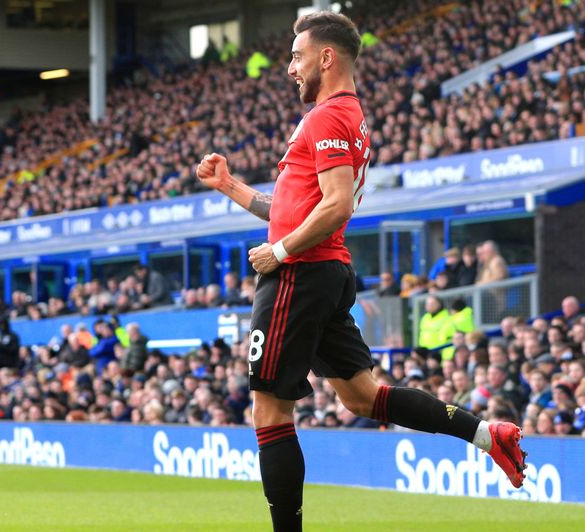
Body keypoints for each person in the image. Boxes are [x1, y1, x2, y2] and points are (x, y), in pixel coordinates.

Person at [195, 13, 525, 530]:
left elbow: (337, 205)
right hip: (325, 270)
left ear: (326, 58)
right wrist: (231, 187)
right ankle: (487, 435)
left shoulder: (329, 116)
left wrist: (279, 253)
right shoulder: (341, 116)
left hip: (299, 274)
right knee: (361, 396)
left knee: (270, 409)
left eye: (297, 56)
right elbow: (295, 206)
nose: (289, 68)